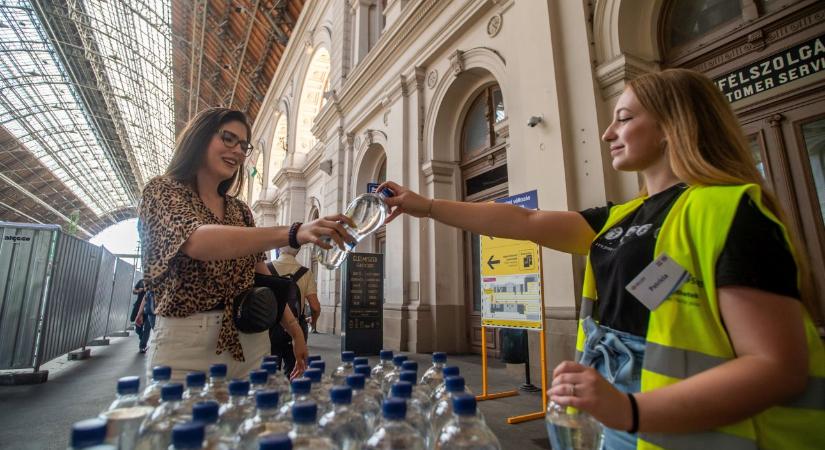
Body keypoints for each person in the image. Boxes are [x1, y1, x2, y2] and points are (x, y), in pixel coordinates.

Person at [377, 69, 825, 449]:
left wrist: (630, 409)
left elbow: (776, 367)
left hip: (697, 426)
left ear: (673, 125)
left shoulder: (730, 209)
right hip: (620, 414)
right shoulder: (619, 216)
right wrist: (426, 206)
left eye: (624, 118)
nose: (609, 132)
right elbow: (524, 221)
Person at [138, 107, 354, 382]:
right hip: (185, 349)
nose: (238, 151)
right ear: (199, 137)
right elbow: (197, 241)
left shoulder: (240, 211)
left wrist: (295, 331)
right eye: (228, 138)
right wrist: (293, 232)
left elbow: (260, 277)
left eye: (243, 145)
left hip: (251, 341)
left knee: (251, 424)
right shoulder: (162, 191)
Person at [267, 246, 321, 375]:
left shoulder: (266, 268)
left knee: (269, 371)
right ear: (297, 252)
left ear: (278, 249)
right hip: (297, 328)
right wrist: (313, 322)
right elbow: (315, 307)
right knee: (294, 370)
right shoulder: (306, 273)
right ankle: (292, 392)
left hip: (271, 327)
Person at [135, 287, 156, 354]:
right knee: (146, 329)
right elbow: (145, 298)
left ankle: (143, 346)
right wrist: (139, 314)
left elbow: (145, 298)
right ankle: (142, 346)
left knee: (151, 329)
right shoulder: (149, 288)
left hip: (156, 312)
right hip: (150, 312)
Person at [131, 279, 148, 353]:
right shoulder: (141, 281)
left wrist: (145, 289)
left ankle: (142, 346)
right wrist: (138, 291)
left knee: (147, 328)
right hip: (138, 306)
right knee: (138, 328)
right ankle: (142, 338)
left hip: (148, 308)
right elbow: (134, 291)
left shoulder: (154, 280)